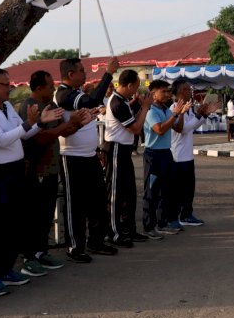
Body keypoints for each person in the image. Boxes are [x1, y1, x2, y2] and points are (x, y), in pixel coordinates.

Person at [0, 68, 63, 297]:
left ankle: (6, 270)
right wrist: (29, 124)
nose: (10, 88)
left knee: (12, 224)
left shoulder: (6, 108)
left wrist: (40, 123)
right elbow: (2, 140)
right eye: (5, 84)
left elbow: (23, 134)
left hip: (14, 170)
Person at [19, 71, 93, 275]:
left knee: (45, 214)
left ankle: (42, 252)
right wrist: (67, 125)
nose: (53, 89)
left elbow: (62, 131)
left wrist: (78, 123)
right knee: (33, 215)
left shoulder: (50, 106)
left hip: (51, 167)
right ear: (39, 87)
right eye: (51, 85)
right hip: (36, 169)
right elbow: (38, 137)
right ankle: (29, 257)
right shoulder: (29, 107)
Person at [55, 57, 119, 262]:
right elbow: (93, 101)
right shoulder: (64, 94)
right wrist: (108, 73)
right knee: (76, 204)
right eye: (82, 71)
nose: (85, 74)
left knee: (97, 200)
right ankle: (75, 246)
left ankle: (96, 240)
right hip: (72, 157)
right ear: (71, 74)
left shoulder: (77, 93)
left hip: (89, 155)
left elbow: (89, 108)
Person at [103, 69, 153, 244]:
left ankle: (129, 229)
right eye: (136, 87)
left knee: (129, 193)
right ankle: (114, 233)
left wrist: (141, 107)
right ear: (129, 85)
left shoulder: (123, 102)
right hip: (116, 149)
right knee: (116, 193)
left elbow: (134, 122)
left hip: (124, 150)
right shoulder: (117, 103)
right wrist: (145, 108)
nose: (137, 91)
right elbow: (136, 129)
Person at [143, 80, 190, 236]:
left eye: (168, 91)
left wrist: (181, 114)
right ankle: (149, 226)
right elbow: (160, 130)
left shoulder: (166, 110)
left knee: (166, 190)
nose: (167, 94)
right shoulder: (151, 111)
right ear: (153, 94)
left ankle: (163, 223)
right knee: (151, 192)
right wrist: (176, 113)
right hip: (153, 155)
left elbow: (178, 127)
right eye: (163, 91)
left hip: (165, 153)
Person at [170, 79, 218, 226]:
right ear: (177, 92)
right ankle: (178, 215)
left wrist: (203, 114)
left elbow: (193, 126)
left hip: (187, 154)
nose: (189, 92)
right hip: (178, 155)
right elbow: (183, 129)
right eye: (185, 89)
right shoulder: (174, 109)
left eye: (189, 89)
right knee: (179, 189)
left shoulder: (188, 108)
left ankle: (186, 214)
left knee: (189, 188)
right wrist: (199, 115)